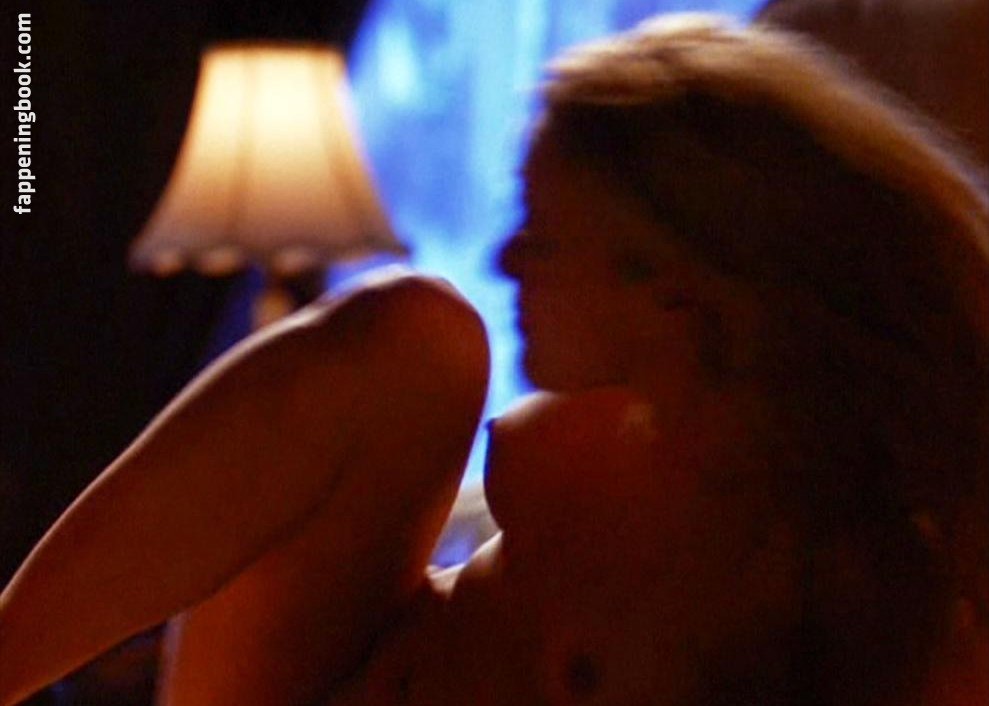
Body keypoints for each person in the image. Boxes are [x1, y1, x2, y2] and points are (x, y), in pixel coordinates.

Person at [2, 13, 987, 706]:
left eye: (544, 236)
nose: (506, 259)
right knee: (415, 334)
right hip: (308, 679)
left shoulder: (857, 545)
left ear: (669, 287)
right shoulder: (594, 431)